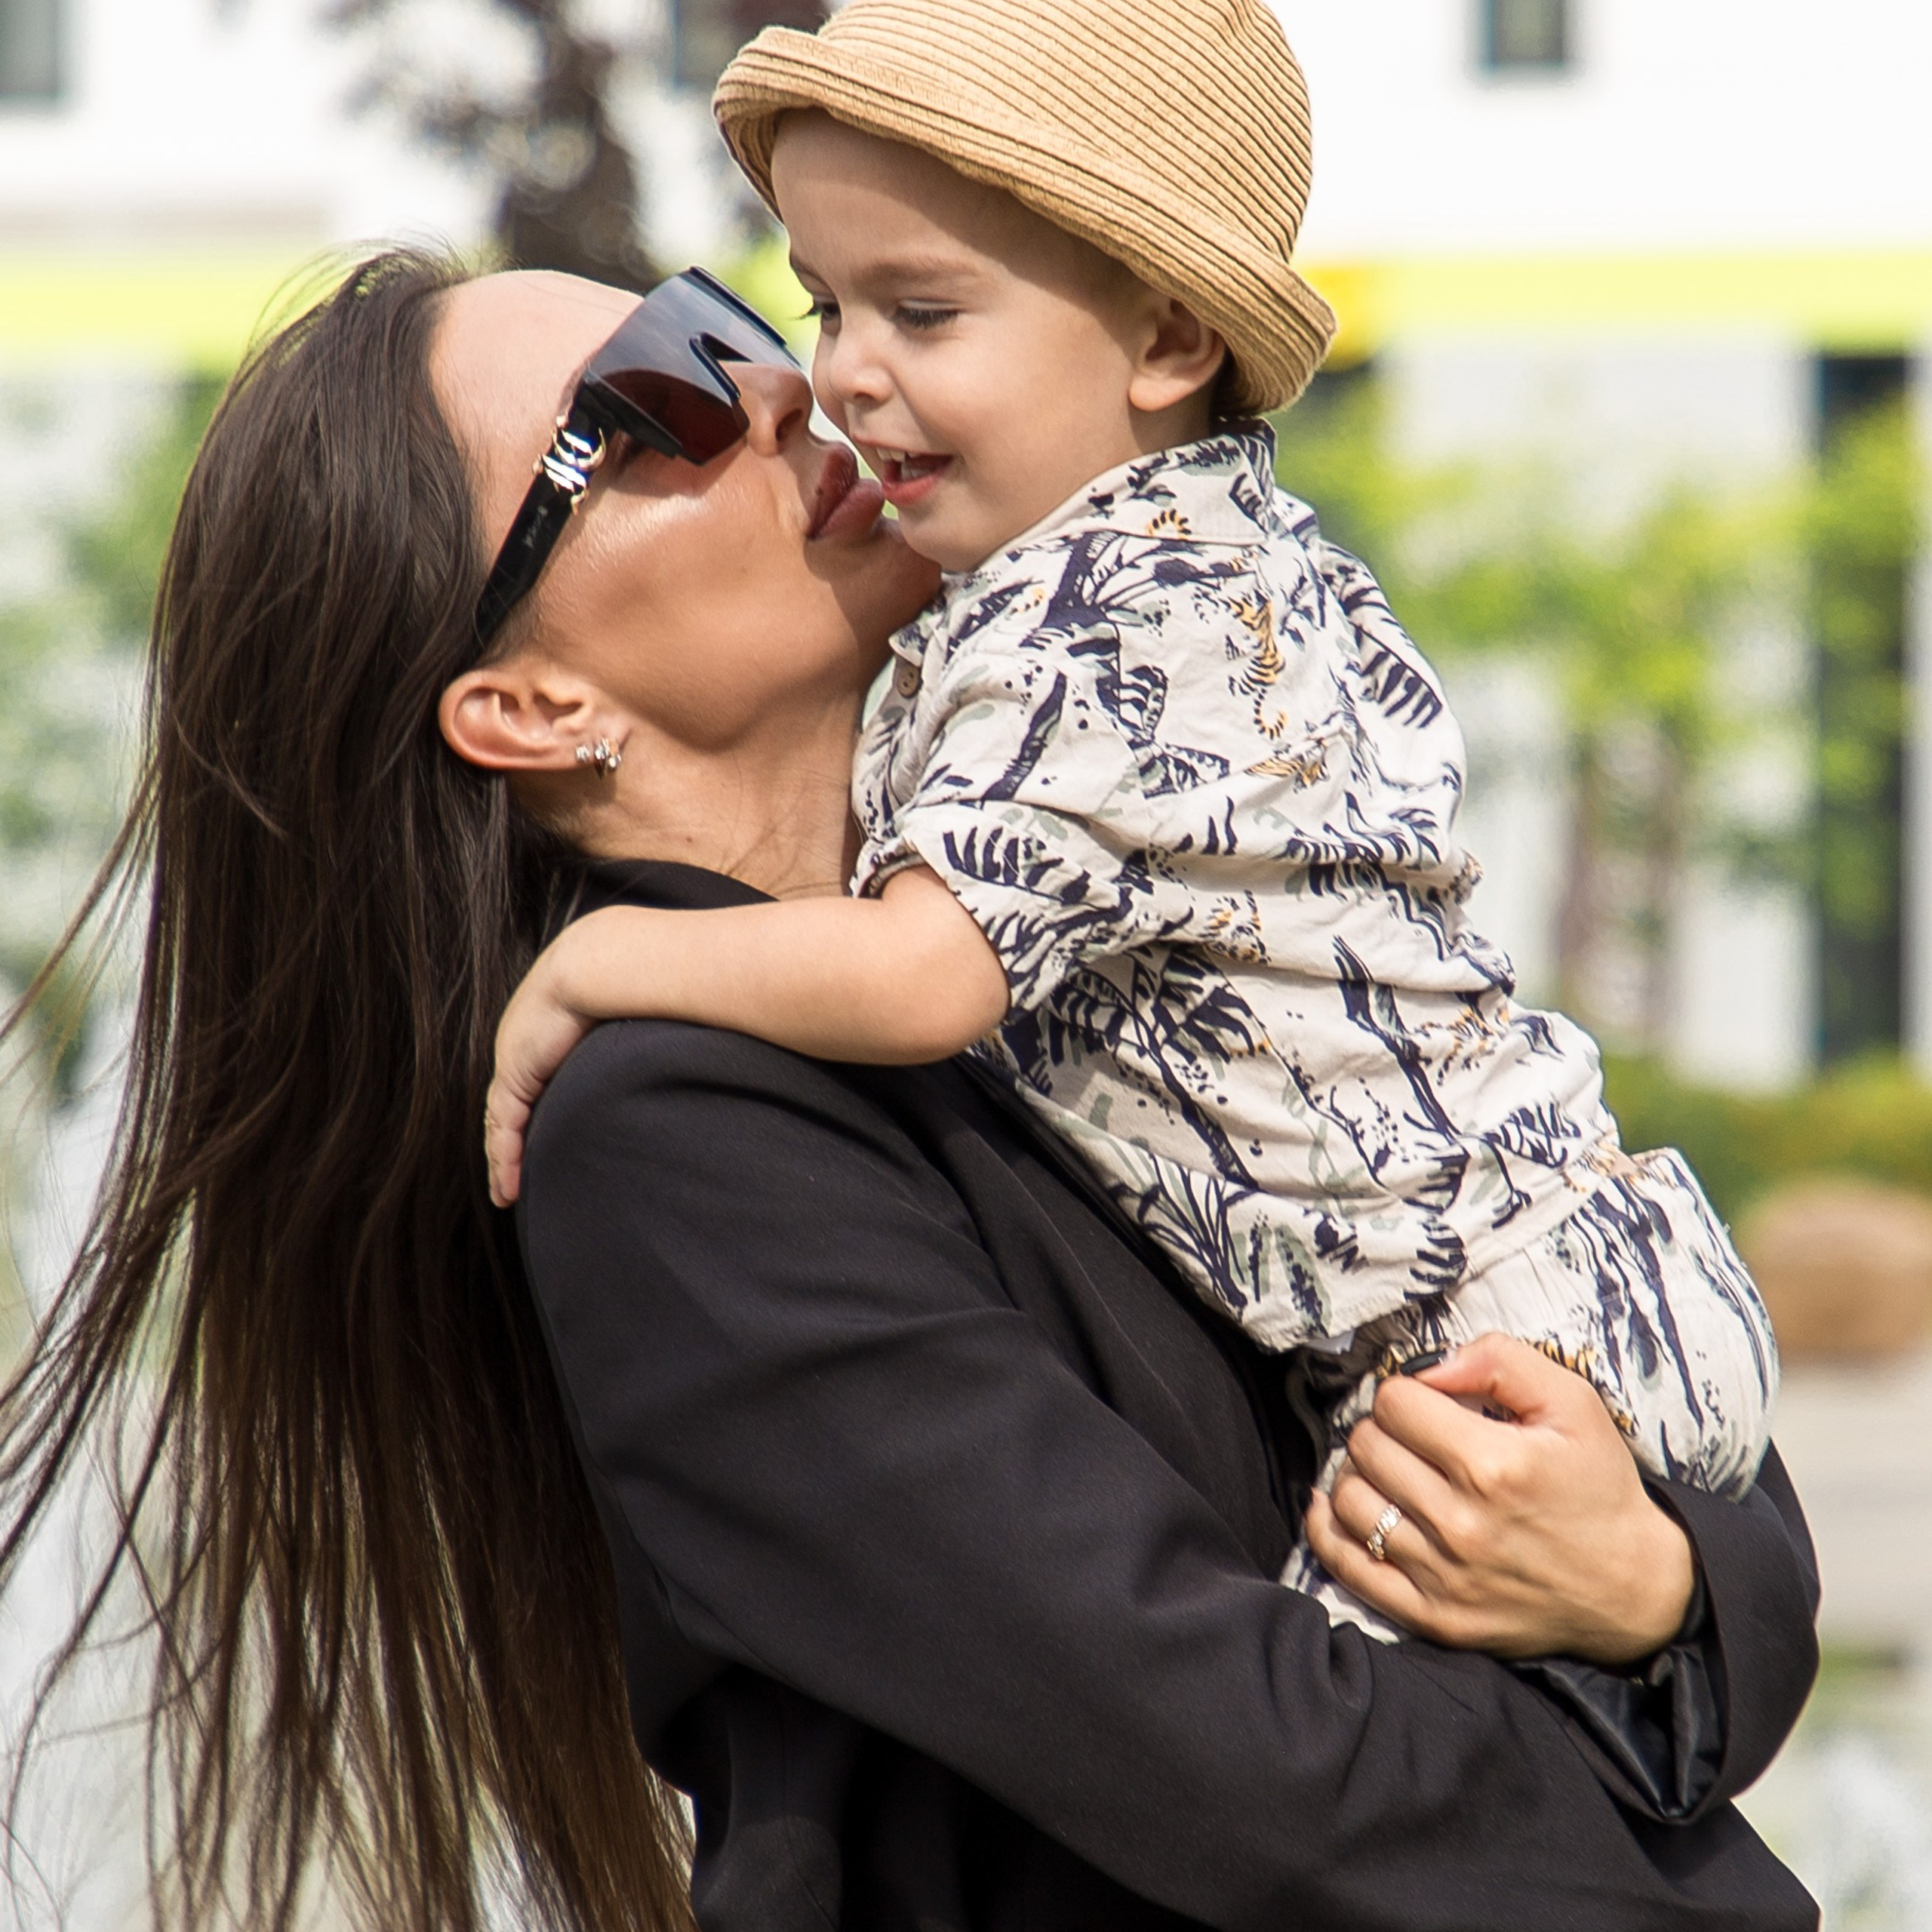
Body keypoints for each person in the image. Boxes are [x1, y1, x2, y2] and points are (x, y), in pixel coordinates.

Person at [0, 251, 1816, 1932]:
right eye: (654, 404)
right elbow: (1266, 1784)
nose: (784, 387)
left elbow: (1664, 1424)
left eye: (731, 322)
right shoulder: (668, 1141)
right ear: (531, 711)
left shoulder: (1067, 936)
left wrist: (1642, 1584)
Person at [480, 0, 1779, 1636]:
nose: (832, 377)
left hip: (1488, 1333)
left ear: (1164, 345)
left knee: (1372, 1769)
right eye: (823, 301)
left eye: (922, 309)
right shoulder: (1170, 567)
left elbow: (921, 977)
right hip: (1551, 1290)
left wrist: (599, 965)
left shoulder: (1108, 622)